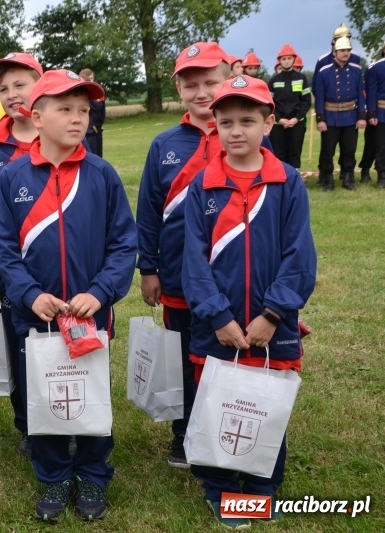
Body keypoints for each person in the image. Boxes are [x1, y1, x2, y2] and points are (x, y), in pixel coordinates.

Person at [0, 69, 137, 522]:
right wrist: (28, 295)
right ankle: (54, 475)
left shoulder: (101, 174)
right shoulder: (13, 176)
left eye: (83, 110)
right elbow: (4, 250)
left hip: (89, 318)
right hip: (36, 318)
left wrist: (101, 291)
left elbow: (122, 245)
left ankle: (93, 471)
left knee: (92, 395)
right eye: (65, 109)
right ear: (36, 117)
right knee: (46, 396)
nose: (79, 118)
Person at [181, 74, 317, 529]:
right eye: (225, 122)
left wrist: (273, 314)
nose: (236, 131)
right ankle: (220, 488)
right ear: (214, 126)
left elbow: (300, 257)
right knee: (220, 407)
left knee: (263, 407)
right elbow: (194, 262)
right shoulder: (203, 185)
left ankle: (260, 488)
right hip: (217, 328)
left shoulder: (287, 183)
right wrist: (218, 315)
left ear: (269, 122)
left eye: (247, 120)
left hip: (270, 329)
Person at [137, 41, 232, 470]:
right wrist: (148, 268)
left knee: (225, 356)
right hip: (175, 275)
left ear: (228, 77)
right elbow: (149, 211)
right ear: (178, 88)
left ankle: (224, 430)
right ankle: (184, 433)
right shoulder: (165, 144)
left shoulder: (240, 135)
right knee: (181, 357)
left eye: (210, 81)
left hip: (230, 276)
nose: (202, 92)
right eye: (191, 84)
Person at [0, 52, 43, 459]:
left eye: (21, 84)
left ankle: (70, 417)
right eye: (3, 89)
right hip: (11, 265)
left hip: (58, 262)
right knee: (20, 344)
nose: (12, 94)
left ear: (40, 82)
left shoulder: (58, 131)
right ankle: (27, 423)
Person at [313, 36, 366, 191]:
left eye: (348, 50)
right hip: (331, 117)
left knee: (349, 149)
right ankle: (327, 178)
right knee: (327, 150)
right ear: (335, 52)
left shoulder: (356, 70)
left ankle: (348, 177)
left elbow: (361, 94)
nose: (346, 53)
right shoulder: (324, 71)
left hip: (350, 115)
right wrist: (320, 119)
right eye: (342, 50)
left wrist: (361, 116)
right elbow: (319, 97)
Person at [268, 44, 311, 171]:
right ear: (279, 61)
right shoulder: (274, 80)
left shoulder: (301, 78)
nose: (286, 61)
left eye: (289, 58)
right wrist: (279, 119)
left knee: (295, 152)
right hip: (278, 124)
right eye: (283, 59)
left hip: (296, 123)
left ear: (293, 59)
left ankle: (295, 178)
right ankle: (280, 177)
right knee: (279, 153)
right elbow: (270, 103)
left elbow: (306, 102)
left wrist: (296, 119)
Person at [366, 43, 385, 188]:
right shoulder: (376, 68)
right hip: (382, 112)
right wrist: (372, 112)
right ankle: (382, 176)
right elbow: (371, 92)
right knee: (381, 146)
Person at [79, 68, 106, 157]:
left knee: (96, 157)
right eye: (88, 80)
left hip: (95, 131)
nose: (91, 81)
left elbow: (99, 107)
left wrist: (89, 96)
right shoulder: (79, 95)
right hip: (85, 132)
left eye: (92, 78)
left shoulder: (97, 92)